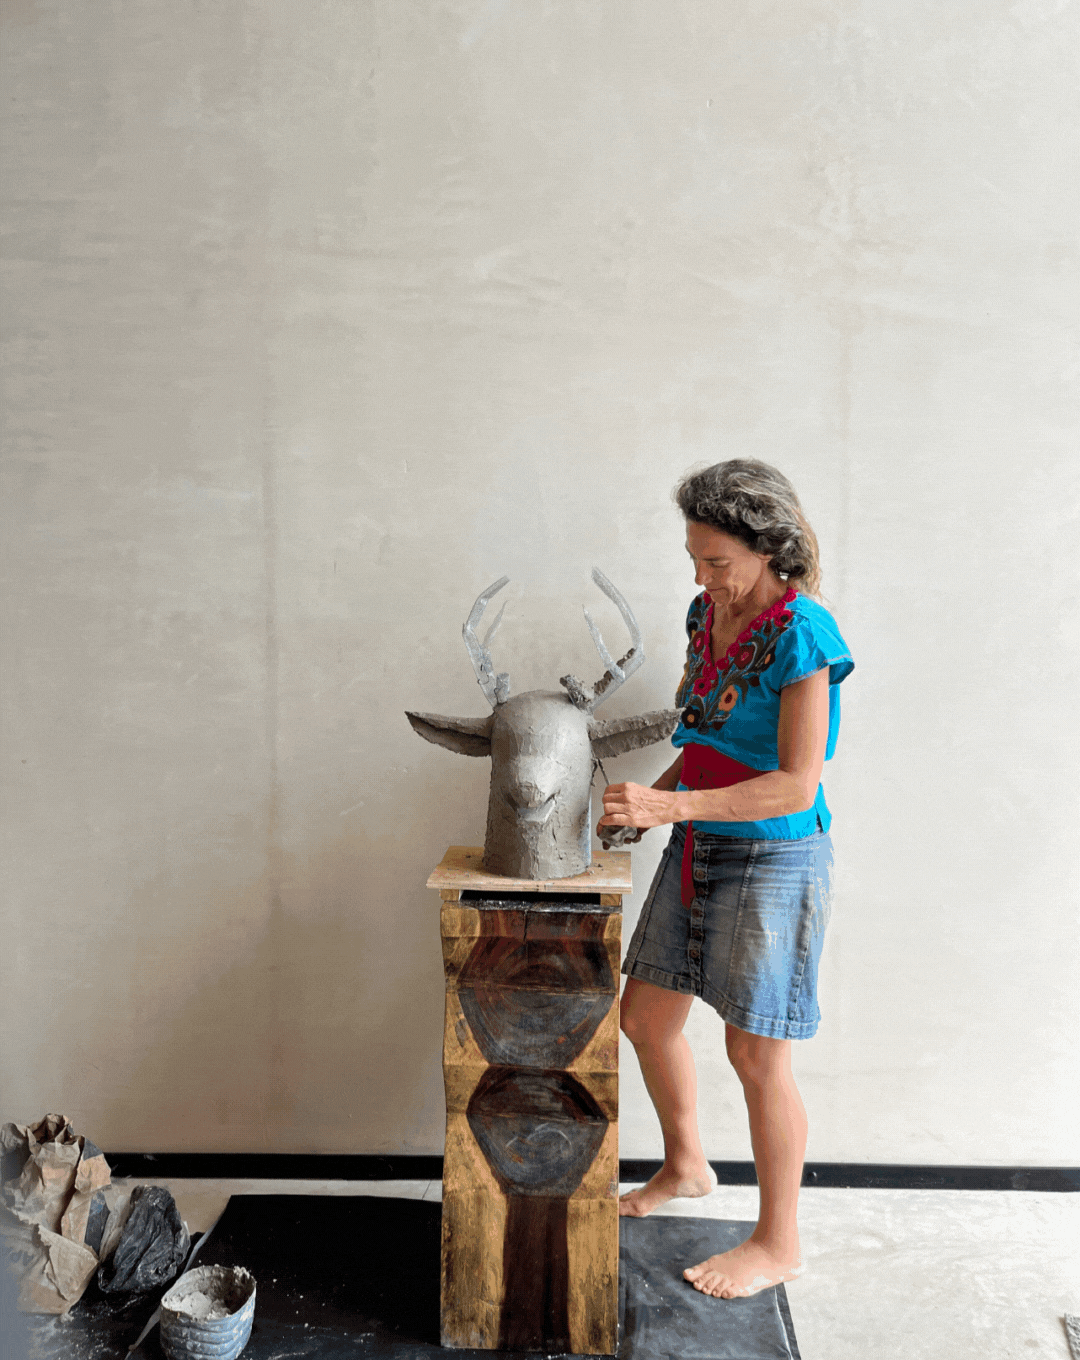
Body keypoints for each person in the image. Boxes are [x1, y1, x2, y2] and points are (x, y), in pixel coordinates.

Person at [598, 459, 853, 1301]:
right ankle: (687, 1165)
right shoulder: (704, 614)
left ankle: (779, 1243)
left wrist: (670, 811)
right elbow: (704, 743)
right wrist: (651, 804)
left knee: (755, 1054)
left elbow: (796, 783)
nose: (704, 578)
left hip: (775, 855)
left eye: (719, 562)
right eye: (695, 559)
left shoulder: (804, 633)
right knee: (644, 1016)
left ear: (769, 548)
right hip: (702, 834)